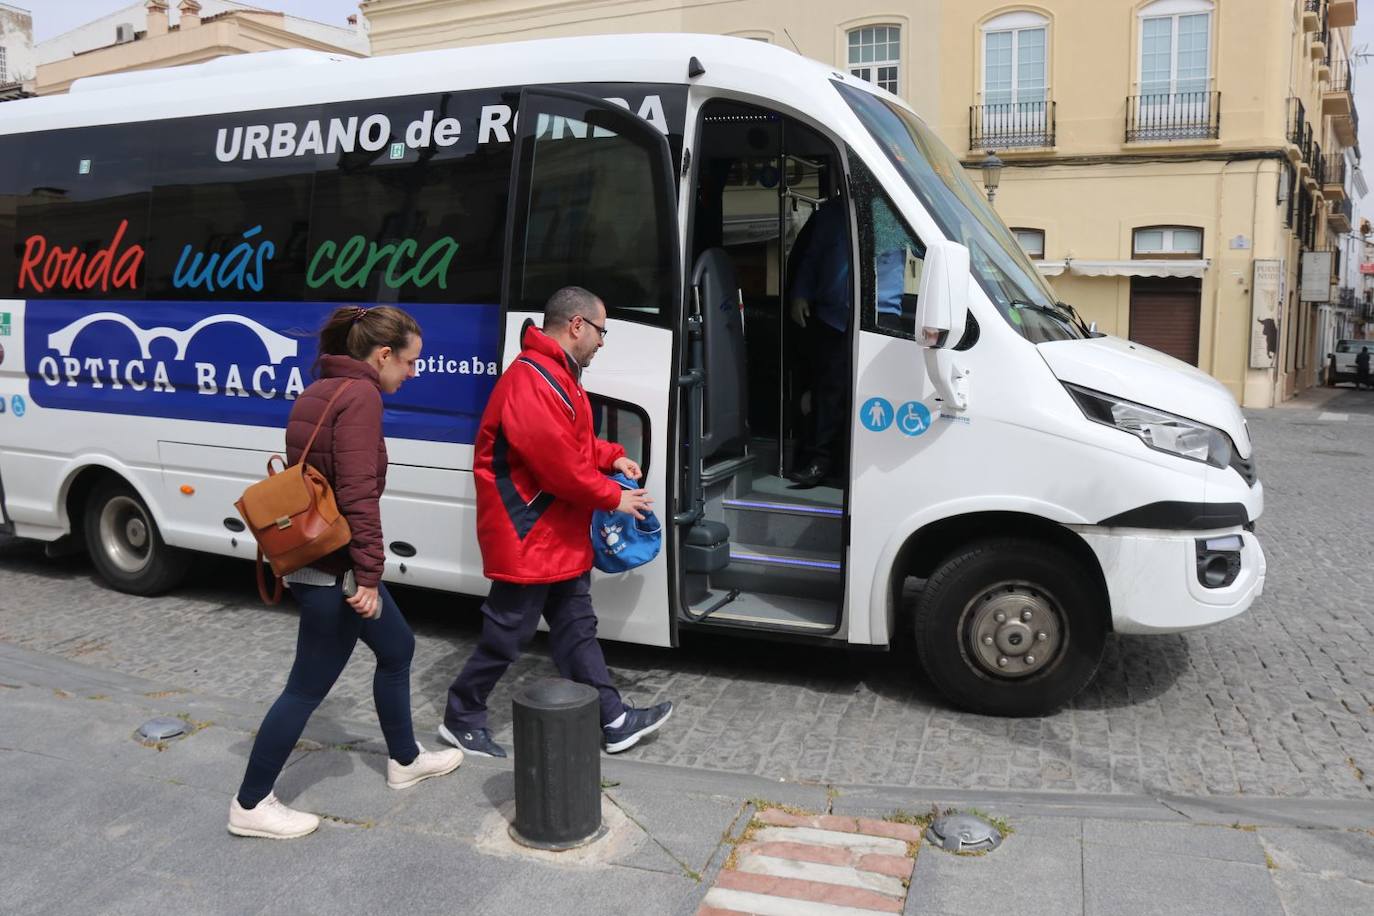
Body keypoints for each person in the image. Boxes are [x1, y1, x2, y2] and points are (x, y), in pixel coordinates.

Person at [229, 306, 462, 840]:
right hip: (334, 570)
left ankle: (404, 759)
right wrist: (369, 576)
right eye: (409, 362)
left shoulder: (322, 387)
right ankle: (251, 802)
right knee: (306, 688)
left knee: (398, 648)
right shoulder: (360, 398)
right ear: (382, 355)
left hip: (321, 558)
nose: (413, 372)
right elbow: (356, 495)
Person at [439, 287, 674, 758]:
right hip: (530, 534)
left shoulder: (553, 374)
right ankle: (461, 716)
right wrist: (614, 498)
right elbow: (558, 467)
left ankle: (613, 719)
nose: (603, 343)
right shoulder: (532, 380)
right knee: (508, 635)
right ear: (577, 325)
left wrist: (614, 456)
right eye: (602, 331)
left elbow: (575, 445)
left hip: (550, 534)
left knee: (575, 628)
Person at [788, 193, 852, 488]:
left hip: (878, 316)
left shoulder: (884, 208)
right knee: (829, 393)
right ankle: (820, 461)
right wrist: (799, 294)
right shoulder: (829, 214)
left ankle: (845, 461)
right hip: (832, 318)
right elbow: (811, 257)